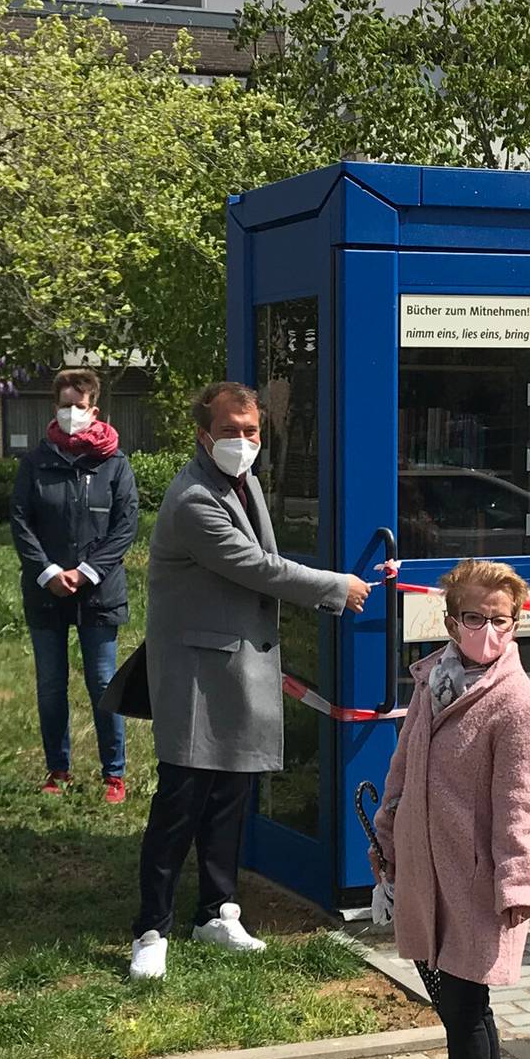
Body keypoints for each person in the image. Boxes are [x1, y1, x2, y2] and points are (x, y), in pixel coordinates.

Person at [129, 381, 372, 980]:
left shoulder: (246, 483)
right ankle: (150, 929)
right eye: (231, 430)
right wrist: (334, 588)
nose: (242, 441)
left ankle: (217, 910)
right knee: (180, 804)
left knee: (231, 798)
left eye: (251, 430)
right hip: (197, 674)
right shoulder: (193, 499)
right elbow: (256, 566)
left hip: (239, 667)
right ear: (202, 435)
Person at [370, 559, 530, 1059]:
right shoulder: (431, 681)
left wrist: (516, 887)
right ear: (448, 620)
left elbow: (521, 809)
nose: (483, 629)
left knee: (463, 1011)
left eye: (497, 619)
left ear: (516, 624)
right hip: (424, 872)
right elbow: (402, 764)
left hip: (477, 884)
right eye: (471, 616)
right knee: (459, 1006)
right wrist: (387, 832)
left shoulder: (524, 707)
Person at [9, 368, 141, 802]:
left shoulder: (114, 464)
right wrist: (47, 571)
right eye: (64, 406)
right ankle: (58, 770)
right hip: (45, 593)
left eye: (78, 407)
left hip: (99, 594)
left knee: (103, 683)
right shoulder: (36, 463)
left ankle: (114, 775)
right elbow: (21, 521)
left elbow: (125, 527)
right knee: (51, 684)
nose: (70, 413)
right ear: (55, 408)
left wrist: (86, 572)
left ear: (94, 410)